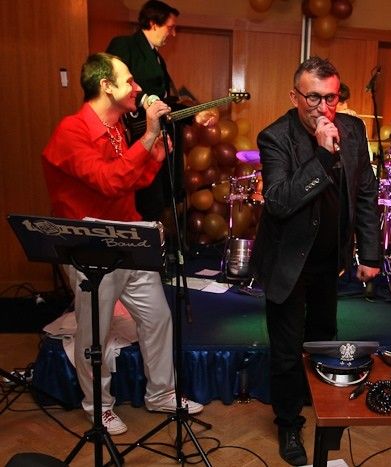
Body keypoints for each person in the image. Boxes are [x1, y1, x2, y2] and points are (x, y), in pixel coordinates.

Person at [41, 53, 202, 436]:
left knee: (158, 318)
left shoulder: (115, 129)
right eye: (129, 80)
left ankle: (161, 393)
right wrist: (147, 137)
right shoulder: (71, 131)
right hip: (89, 248)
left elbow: (132, 180)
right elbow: (109, 181)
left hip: (129, 238)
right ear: (106, 86)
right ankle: (98, 406)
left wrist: (156, 151)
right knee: (93, 334)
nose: (137, 87)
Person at [250, 57, 382, 466]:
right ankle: (289, 424)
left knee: (323, 341)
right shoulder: (275, 137)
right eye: (313, 98)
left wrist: (369, 252)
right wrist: (322, 156)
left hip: (329, 260)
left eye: (332, 97)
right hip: (287, 262)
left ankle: (322, 410)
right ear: (295, 96)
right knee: (287, 351)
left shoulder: (353, 130)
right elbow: (278, 201)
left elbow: (365, 193)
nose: (324, 108)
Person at [106, 0, 180, 222]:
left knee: (155, 201)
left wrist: (195, 114)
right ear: (153, 23)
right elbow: (115, 82)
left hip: (154, 139)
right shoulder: (124, 45)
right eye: (170, 27)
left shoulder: (158, 58)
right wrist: (144, 99)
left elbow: (165, 98)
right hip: (131, 135)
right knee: (139, 202)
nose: (173, 34)